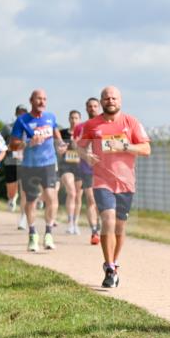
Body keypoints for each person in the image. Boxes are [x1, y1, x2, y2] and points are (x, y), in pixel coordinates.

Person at [76, 86, 151, 287]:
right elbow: (79, 146)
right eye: (106, 98)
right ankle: (109, 268)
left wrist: (125, 146)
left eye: (114, 98)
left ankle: (115, 262)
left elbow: (146, 149)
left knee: (119, 226)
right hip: (102, 181)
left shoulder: (131, 122)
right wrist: (86, 155)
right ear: (101, 101)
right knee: (107, 220)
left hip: (126, 182)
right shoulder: (92, 124)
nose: (110, 101)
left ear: (120, 101)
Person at [8, 89, 63, 251]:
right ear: (31, 100)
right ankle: (32, 234)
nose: (42, 102)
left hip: (48, 163)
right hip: (30, 165)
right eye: (38, 99)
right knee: (31, 201)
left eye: (44, 99)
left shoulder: (50, 117)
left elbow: (57, 135)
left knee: (51, 197)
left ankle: (49, 233)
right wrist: (28, 143)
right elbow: (13, 145)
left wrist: (61, 144)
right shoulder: (22, 121)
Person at [75, 97, 102, 244]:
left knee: (102, 201)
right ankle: (94, 231)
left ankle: (102, 225)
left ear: (99, 107)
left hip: (104, 169)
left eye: (95, 106)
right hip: (87, 169)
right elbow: (77, 147)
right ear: (86, 108)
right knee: (91, 200)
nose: (92, 108)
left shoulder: (105, 125)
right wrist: (86, 156)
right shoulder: (81, 127)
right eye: (90, 106)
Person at [57, 110, 85, 234]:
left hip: (80, 167)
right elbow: (58, 149)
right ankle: (69, 223)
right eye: (72, 118)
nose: (74, 120)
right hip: (66, 166)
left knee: (78, 195)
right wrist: (61, 150)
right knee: (71, 192)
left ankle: (75, 223)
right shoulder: (62, 133)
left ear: (80, 120)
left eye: (76, 118)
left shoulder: (84, 133)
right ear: (69, 119)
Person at [1, 104, 27, 221]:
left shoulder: (30, 128)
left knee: (24, 189)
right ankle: (12, 198)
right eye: (20, 112)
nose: (22, 115)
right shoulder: (8, 128)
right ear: (16, 114)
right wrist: (8, 147)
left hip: (25, 162)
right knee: (11, 190)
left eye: (24, 113)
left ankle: (23, 217)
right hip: (10, 162)